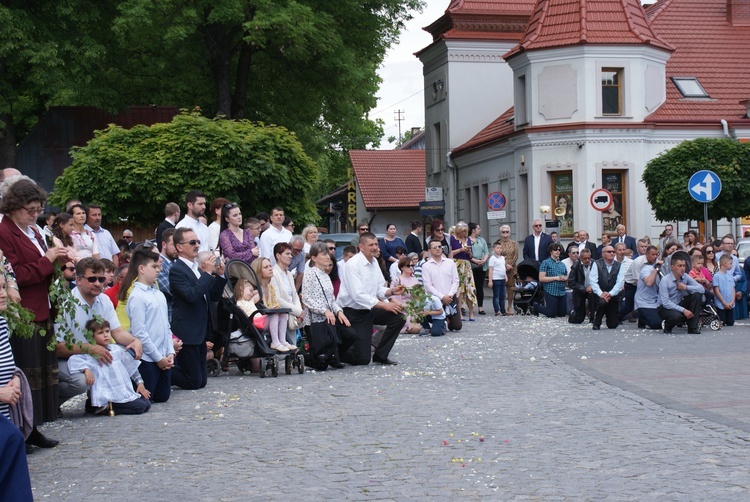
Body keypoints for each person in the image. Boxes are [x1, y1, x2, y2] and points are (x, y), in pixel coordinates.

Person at [0, 179, 69, 448]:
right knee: (25, 370)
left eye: (38, 209)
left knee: (40, 370)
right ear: (14, 207)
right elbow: (14, 275)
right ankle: (20, 429)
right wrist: (48, 259)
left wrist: (59, 262)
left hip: (42, 306)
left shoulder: (35, 231)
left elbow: (43, 265)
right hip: (23, 311)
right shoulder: (5, 232)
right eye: (30, 209)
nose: (34, 215)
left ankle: (33, 425)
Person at [55, 258, 143, 411]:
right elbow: (58, 348)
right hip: (69, 358)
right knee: (81, 382)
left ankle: (104, 401)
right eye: (92, 279)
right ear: (78, 280)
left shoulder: (104, 300)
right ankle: (52, 402)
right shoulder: (65, 303)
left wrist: (135, 341)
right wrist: (89, 348)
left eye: (101, 279)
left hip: (95, 355)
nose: (97, 283)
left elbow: (117, 332)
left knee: (127, 354)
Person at [169, 228, 226, 390]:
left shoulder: (195, 268)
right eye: (192, 242)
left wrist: (219, 275)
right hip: (186, 331)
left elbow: (212, 296)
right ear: (180, 247)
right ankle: (163, 371)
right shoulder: (177, 270)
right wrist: (207, 273)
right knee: (194, 382)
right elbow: (192, 295)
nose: (197, 245)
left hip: (200, 332)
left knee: (201, 381)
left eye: (198, 242)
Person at [337, 232, 406, 365]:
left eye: (376, 244)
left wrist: (391, 291)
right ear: (361, 247)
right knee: (362, 359)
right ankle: (336, 354)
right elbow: (358, 295)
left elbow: (378, 288)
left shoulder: (374, 262)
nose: (375, 247)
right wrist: (385, 305)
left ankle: (381, 355)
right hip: (354, 312)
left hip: (370, 308)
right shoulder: (353, 264)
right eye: (371, 245)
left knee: (398, 318)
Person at [68, 319, 151, 415]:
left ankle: (99, 407)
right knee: (140, 407)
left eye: (107, 331)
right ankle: (105, 408)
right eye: (100, 333)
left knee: (147, 404)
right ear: (92, 336)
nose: (106, 335)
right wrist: (86, 369)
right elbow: (74, 360)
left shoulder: (116, 350)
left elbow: (130, 367)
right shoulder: (91, 354)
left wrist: (140, 383)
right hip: (106, 394)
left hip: (121, 391)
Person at [126, 246, 175, 403]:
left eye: (158, 266)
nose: (158, 270)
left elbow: (166, 327)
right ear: (141, 268)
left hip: (162, 355)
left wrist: (170, 352)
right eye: (154, 267)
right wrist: (157, 358)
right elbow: (139, 333)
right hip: (148, 359)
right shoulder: (137, 297)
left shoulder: (159, 294)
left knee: (163, 396)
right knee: (146, 399)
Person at [301, 243, 350, 368]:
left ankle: (332, 356)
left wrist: (339, 311)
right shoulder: (310, 273)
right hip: (315, 320)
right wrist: (324, 311)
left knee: (350, 334)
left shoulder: (325, 276)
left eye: (328, 254)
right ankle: (306, 357)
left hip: (328, 318)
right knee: (320, 363)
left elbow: (331, 300)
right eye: (323, 254)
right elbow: (306, 299)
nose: (328, 257)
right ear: (314, 258)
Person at [251, 257, 291, 352]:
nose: (270, 268)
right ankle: (275, 342)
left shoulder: (270, 287)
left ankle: (282, 340)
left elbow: (275, 305)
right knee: (274, 315)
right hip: (257, 320)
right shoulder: (254, 289)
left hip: (268, 317)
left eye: (270, 266)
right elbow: (248, 304)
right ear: (258, 271)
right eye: (266, 267)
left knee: (282, 313)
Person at [658, 253, 704, 334]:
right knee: (677, 317)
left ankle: (692, 327)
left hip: (680, 303)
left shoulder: (685, 276)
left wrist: (686, 287)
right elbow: (665, 303)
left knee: (697, 295)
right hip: (666, 307)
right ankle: (667, 326)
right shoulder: (665, 280)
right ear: (672, 267)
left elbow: (701, 289)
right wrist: (684, 310)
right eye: (680, 266)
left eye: (684, 266)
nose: (682, 268)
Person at [422, 238, 461, 331]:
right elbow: (428, 285)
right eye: (434, 247)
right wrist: (442, 297)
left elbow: (456, 280)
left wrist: (450, 295)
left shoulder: (450, 262)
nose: (438, 249)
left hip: (450, 297)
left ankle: (448, 319)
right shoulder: (426, 266)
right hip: (436, 299)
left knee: (457, 326)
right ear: (429, 250)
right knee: (437, 327)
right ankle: (438, 321)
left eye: (439, 246)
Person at [270, 242, 304, 349]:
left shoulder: (289, 274)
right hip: (280, 313)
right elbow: (277, 299)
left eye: (290, 254)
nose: (290, 256)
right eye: (287, 253)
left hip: (292, 314)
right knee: (283, 347)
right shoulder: (273, 273)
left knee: (293, 346)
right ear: (278, 256)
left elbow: (294, 295)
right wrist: (298, 312)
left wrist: (299, 312)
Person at [590, 245, 626, 330]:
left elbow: (620, 282)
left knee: (612, 325)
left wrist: (610, 294)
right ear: (603, 254)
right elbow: (593, 281)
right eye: (609, 252)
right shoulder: (596, 263)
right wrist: (601, 294)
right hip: (600, 294)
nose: (612, 253)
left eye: (613, 252)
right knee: (602, 303)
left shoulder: (619, 265)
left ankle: (609, 316)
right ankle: (597, 322)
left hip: (613, 296)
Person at [450, 222, 477, 320]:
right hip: (457, 264)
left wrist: (468, 251)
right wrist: (461, 250)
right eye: (461, 232)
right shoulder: (453, 239)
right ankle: (459, 312)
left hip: (467, 265)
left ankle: (471, 312)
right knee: (459, 289)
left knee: (470, 288)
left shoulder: (468, 239)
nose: (463, 234)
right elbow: (451, 252)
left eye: (465, 232)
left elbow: (471, 256)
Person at [533, 243, 568, 318]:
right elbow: (541, 278)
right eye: (555, 250)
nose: (557, 251)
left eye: (559, 250)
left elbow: (565, 275)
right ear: (551, 251)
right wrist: (555, 278)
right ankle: (536, 307)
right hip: (550, 290)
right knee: (551, 314)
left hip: (561, 291)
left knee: (562, 314)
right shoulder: (545, 262)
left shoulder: (562, 264)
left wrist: (565, 278)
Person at [390, 255, 422, 334]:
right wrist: (403, 306)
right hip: (401, 308)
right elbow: (392, 297)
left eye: (412, 265)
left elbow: (419, 297)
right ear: (402, 267)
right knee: (415, 328)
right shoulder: (397, 280)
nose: (411, 267)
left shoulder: (415, 280)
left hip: (413, 308)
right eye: (408, 266)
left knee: (417, 328)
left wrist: (416, 308)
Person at [634, 246, 663, 329]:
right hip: (644, 302)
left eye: (656, 255)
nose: (655, 257)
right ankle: (640, 316)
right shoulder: (646, 268)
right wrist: (656, 269)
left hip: (656, 302)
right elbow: (649, 283)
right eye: (653, 254)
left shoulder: (661, 268)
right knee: (657, 324)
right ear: (647, 255)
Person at [567, 248, 595, 324]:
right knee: (578, 319)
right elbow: (571, 282)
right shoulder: (576, 265)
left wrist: (592, 286)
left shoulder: (594, 264)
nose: (587, 260)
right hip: (579, 290)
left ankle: (593, 316)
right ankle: (573, 313)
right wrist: (584, 289)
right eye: (585, 258)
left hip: (592, 289)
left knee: (592, 295)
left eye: (589, 258)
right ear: (580, 258)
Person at [157, 228, 177, 321]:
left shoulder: (177, 263)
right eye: (173, 245)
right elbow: (172, 290)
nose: (177, 248)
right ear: (164, 245)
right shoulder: (157, 265)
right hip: (167, 317)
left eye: (179, 244)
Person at [469, 222, 489, 315]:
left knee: (480, 287)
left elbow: (486, 252)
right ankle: (470, 307)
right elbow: (467, 254)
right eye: (478, 228)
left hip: (481, 266)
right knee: (470, 287)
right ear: (473, 230)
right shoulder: (467, 240)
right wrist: (475, 261)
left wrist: (484, 260)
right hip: (471, 265)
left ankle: (480, 307)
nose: (480, 230)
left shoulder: (482, 240)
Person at [498, 224, 519, 314]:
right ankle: (501, 306)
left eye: (507, 232)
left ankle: (509, 306)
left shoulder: (514, 243)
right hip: (500, 267)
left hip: (511, 267)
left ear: (510, 233)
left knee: (510, 287)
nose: (505, 233)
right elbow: (497, 255)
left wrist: (510, 265)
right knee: (500, 287)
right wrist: (504, 265)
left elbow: (516, 255)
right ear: (501, 233)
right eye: (503, 232)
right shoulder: (498, 243)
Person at [713, 254, 736, 327]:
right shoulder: (716, 276)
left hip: (730, 303)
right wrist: (724, 302)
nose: (732, 265)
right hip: (721, 304)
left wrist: (732, 301)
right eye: (730, 263)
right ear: (725, 263)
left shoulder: (730, 276)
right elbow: (716, 291)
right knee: (722, 322)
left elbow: (733, 289)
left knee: (730, 323)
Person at [487, 240, 509, 316]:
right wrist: (490, 281)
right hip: (495, 279)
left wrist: (505, 276)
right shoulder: (492, 258)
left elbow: (503, 267)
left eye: (500, 248)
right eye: (497, 248)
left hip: (502, 279)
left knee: (503, 296)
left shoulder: (502, 258)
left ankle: (503, 310)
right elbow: (490, 270)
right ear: (494, 249)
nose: (499, 249)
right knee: (496, 295)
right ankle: (497, 310)